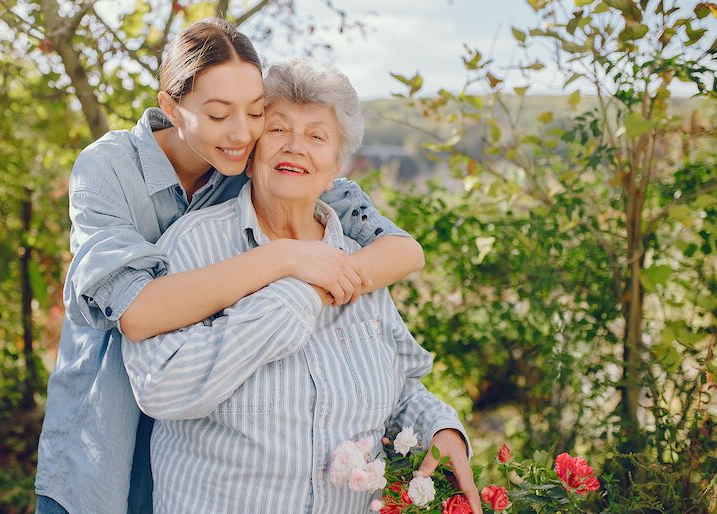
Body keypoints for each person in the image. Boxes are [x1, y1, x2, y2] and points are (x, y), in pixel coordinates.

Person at [34, 19, 427, 514]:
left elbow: (402, 250)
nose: (242, 133)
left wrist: (322, 284)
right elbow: (137, 312)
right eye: (219, 115)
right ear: (171, 107)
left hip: (194, 443)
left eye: (257, 112)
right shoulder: (109, 168)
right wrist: (284, 259)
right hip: (105, 429)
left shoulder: (255, 163)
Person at [121, 58, 481, 513]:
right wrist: (297, 292)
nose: (296, 148)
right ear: (250, 154)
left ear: (335, 170)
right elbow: (161, 388)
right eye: (278, 130)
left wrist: (438, 428)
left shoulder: (358, 260)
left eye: (317, 136)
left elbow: (400, 388)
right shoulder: (193, 246)